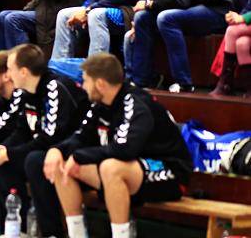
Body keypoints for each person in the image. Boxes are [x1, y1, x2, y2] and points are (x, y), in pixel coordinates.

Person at [46, 53, 193, 238]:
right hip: (132, 169)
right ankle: (77, 234)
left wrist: (79, 156)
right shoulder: (100, 104)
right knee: (62, 166)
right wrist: (57, 150)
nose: (83, 86)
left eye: (85, 81)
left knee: (111, 168)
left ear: (100, 84)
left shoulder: (136, 103)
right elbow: (80, 137)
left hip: (169, 170)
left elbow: (125, 149)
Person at [0, 44, 88, 238]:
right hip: (45, 149)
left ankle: (51, 232)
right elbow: (22, 132)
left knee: (33, 160)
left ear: (23, 72)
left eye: (10, 69)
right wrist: (1, 150)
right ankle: (11, 228)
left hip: (69, 150)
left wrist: (7, 154)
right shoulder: (27, 91)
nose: (8, 75)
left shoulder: (54, 87)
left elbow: (51, 138)